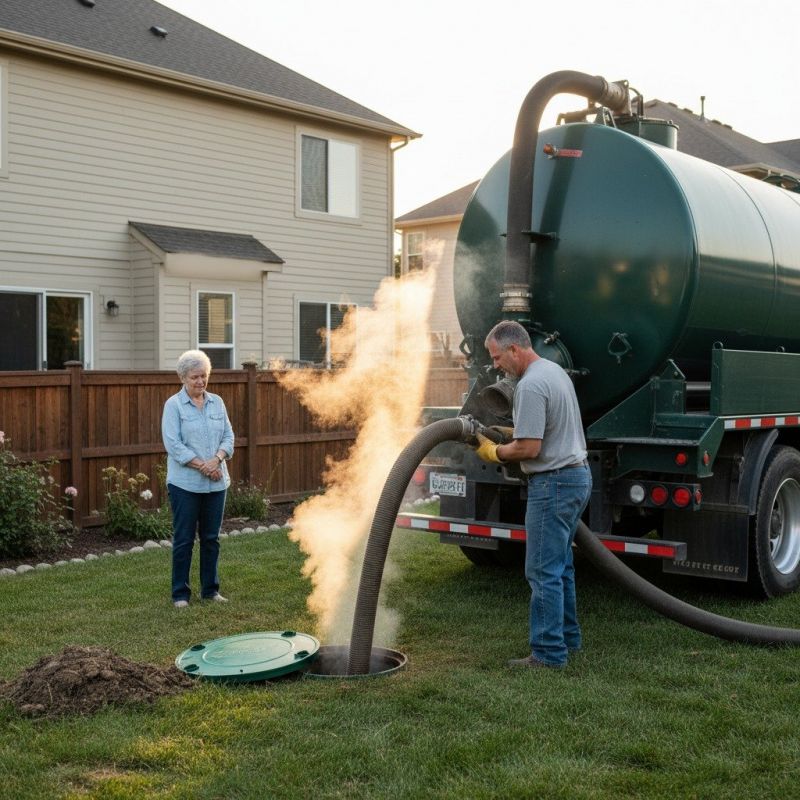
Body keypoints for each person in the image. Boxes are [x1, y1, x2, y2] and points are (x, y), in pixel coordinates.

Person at [475, 320, 591, 668]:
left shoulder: (529, 386)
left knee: (542, 571)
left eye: (497, 357)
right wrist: (510, 431)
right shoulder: (554, 372)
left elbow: (529, 448)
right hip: (576, 478)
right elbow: (548, 427)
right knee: (562, 566)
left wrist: (493, 452)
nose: (495, 365)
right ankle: (569, 640)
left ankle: (548, 653)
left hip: (553, 484)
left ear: (514, 349)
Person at [161, 349, 234, 608]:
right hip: (185, 485)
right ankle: (180, 594)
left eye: (203, 376)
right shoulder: (174, 405)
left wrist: (217, 460)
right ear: (183, 378)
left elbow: (229, 437)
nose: (200, 382)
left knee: (211, 539)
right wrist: (204, 466)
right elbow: (174, 445)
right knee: (184, 540)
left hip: (217, 483)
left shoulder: (217, 402)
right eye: (194, 377)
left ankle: (210, 591)